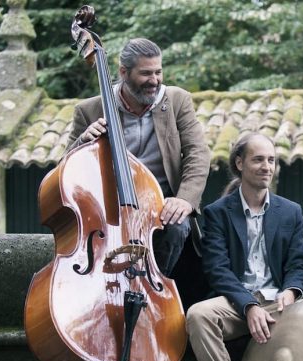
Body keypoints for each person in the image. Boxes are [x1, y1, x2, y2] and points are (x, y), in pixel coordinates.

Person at [185, 133, 303, 361]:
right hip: (236, 302)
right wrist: (248, 305)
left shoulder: (290, 211)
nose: (266, 166)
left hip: (278, 302)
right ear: (240, 163)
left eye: (271, 160)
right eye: (258, 159)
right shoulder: (218, 212)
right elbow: (217, 269)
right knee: (199, 315)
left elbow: (299, 264)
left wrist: (291, 291)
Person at [66, 37, 210, 277]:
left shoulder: (177, 100)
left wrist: (185, 199)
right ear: (124, 72)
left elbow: (198, 153)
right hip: (111, 211)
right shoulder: (89, 110)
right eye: (145, 73)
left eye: (158, 72)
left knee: (177, 228)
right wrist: (83, 141)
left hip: (161, 205)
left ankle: (153, 286)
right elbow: (64, 168)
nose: (154, 80)